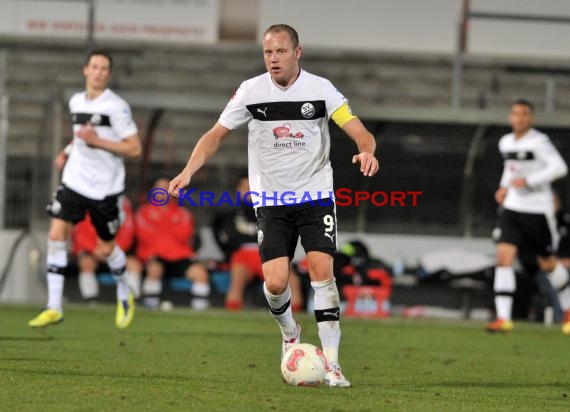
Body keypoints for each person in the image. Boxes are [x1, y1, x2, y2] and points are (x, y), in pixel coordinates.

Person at [169, 24, 379, 387]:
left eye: (281, 51)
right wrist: (189, 170)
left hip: (315, 195)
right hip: (271, 200)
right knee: (277, 281)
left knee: (321, 272)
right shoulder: (251, 91)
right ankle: (289, 332)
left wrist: (366, 150)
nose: (273, 59)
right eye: (268, 53)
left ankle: (332, 364)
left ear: (298, 53)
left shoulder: (320, 89)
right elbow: (215, 134)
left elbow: (359, 130)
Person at [28, 50, 141, 329]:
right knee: (56, 233)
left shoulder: (116, 106)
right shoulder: (76, 101)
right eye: (94, 67)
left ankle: (124, 291)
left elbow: (134, 148)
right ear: (85, 70)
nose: (98, 72)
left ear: (108, 74)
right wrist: (67, 151)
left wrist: (97, 142)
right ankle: (54, 306)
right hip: (75, 182)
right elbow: (81, 136)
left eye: (104, 68)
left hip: (105, 189)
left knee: (106, 249)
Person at [488, 99, 568, 333]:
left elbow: (559, 167)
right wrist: (504, 187)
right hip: (513, 207)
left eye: (524, 114)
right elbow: (510, 168)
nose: (519, 118)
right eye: (515, 113)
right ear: (510, 117)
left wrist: (530, 181)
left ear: (530, 118)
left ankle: (568, 309)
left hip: (537, 210)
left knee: (548, 263)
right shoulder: (506, 142)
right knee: (503, 256)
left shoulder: (539, 141)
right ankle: (503, 318)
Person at [213, 175, 304, 311]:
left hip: (269, 252)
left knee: (293, 283)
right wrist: (227, 253)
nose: (249, 191)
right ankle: (231, 322)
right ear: (238, 190)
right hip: (244, 254)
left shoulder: (272, 211)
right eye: (245, 187)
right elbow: (217, 230)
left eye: (252, 187)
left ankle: (294, 324)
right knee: (236, 283)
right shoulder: (229, 214)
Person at [135, 178, 210, 310]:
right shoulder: (143, 212)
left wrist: (161, 227)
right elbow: (145, 236)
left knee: (200, 274)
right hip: (154, 256)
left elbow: (183, 236)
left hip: (179, 256)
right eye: (160, 188)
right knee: (154, 270)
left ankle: (200, 312)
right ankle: (149, 308)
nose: (164, 191)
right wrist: (166, 228)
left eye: (167, 187)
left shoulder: (184, 214)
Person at [71, 195, 142, 301]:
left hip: (115, 250)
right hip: (93, 252)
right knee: (87, 263)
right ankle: (91, 300)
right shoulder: (86, 198)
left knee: (134, 265)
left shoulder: (123, 202)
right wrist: (94, 249)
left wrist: (113, 250)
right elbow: (79, 232)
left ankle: (131, 300)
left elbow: (128, 230)